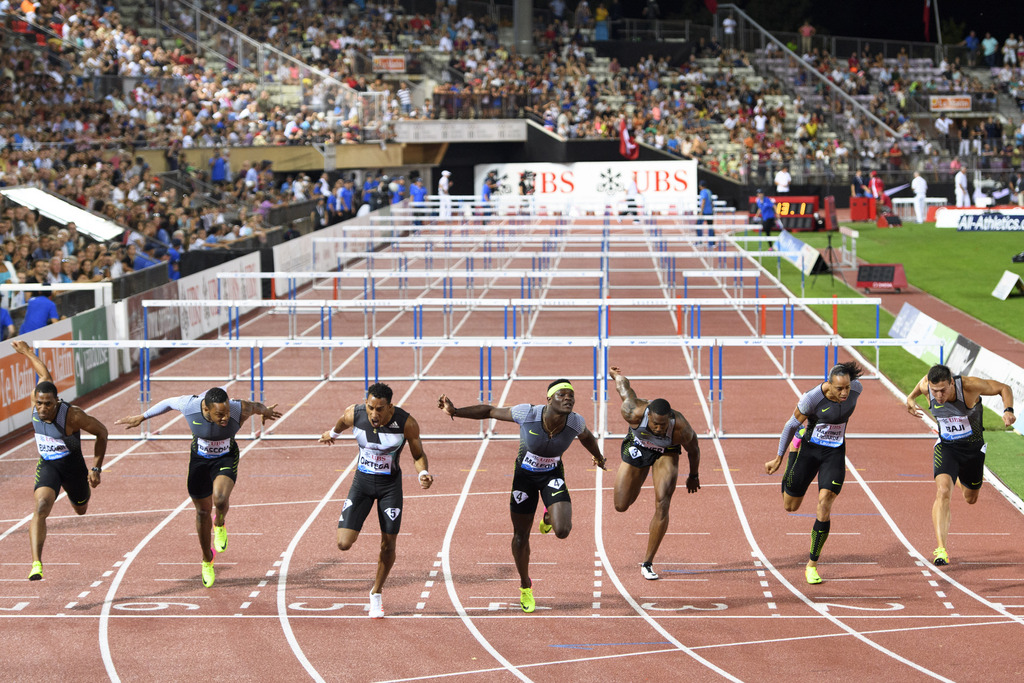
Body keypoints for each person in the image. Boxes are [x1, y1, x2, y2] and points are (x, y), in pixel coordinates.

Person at [438, 379, 607, 612]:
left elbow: (587, 437)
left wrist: (598, 456)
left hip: (552, 475)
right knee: (520, 536)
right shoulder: (527, 413)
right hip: (524, 478)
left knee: (563, 530)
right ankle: (525, 585)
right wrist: (455, 411)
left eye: (571, 396)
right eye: (562, 395)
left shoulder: (575, 422)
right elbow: (489, 411)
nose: (569, 399)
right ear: (549, 399)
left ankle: (548, 515)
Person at [115, 388, 281, 587]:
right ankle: (206, 560)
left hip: (226, 457)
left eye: (227, 412)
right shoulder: (190, 406)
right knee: (202, 512)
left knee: (220, 499)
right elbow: (168, 401)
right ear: (206, 409)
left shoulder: (238, 409)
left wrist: (266, 412)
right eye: (219, 414)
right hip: (199, 461)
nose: (225, 418)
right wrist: (142, 417)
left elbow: (256, 406)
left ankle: (220, 523)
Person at [319, 383, 433, 619]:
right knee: (343, 543)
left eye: (380, 409)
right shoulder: (355, 413)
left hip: (389, 488)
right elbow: (342, 421)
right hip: (361, 484)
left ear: (389, 407)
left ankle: (376, 593)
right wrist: (333, 433)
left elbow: (418, 455)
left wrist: (423, 474)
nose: (374, 414)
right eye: (370, 407)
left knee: (388, 544)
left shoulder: (406, 423)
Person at [11, 340, 108, 581]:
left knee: (81, 510)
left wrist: (96, 467)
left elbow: (102, 432)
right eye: (39, 403)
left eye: (48, 404)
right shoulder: (38, 396)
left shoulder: (72, 415)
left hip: (74, 468)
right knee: (41, 506)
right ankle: (36, 564)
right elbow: (43, 373)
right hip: (49, 464)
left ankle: (80, 495)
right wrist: (27, 352)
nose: (42, 408)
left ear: (57, 402)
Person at [764, 361, 865, 585]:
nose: (844, 393)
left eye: (847, 387)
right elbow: (790, 425)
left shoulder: (856, 389)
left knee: (825, 501)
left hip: (834, 453)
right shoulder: (812, 398)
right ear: (829, 384)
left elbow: (851, 386)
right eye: (839, 389)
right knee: (790, 506)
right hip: (808, 450)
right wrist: (780, 457)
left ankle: (812, 564)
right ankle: (793, 453)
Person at [904, 365, 1015, 567]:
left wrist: (1008, 411)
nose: (938, 395)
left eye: (943, 390)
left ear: (952, 383)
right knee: (943, 491)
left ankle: (963, 478)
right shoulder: (926, 385)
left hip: (973, 451)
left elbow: (1004, 388)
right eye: (934, 390)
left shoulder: (969, 386)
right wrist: (910, 399)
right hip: (946, 448)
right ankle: (941, 549)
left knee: (970, 498)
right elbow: (916, 391)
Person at [608, 367, 700, 580]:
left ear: (670, 419)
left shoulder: (681, 428)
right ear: (648, 415)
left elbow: (694, 451)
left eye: (663, 424)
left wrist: (693, 475)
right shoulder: (632, 411)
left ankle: (648, 562)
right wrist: (617, 376)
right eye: (655, 424)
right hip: (638, 446)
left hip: (666, 453)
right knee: (621, 505)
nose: (659, 429)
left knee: (663, 502)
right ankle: (638, 478)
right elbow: (624, 389)